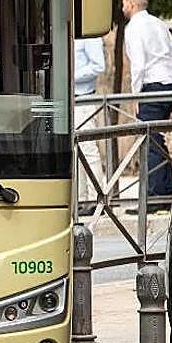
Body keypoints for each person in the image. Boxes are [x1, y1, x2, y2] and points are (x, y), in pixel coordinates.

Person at [122, 0, 172, 207]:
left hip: (151, 87)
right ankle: (163, 192)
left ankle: (156, 197)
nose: (122, 7)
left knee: (149, 141)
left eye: (124, 3)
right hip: (169, 85)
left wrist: (135, 95)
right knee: (156, 139)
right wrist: (169, 73)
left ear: (131, 4)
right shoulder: (159, 24)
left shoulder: (134, 28)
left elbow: (138, 64)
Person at [73, 37, 106, 216]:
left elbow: (98, 66)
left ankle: (96, 199)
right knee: (77, 151)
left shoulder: (90, 36)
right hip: (71, 97)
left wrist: (70, 75)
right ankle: (82, 199)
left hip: (84, 98)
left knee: (88, 149)